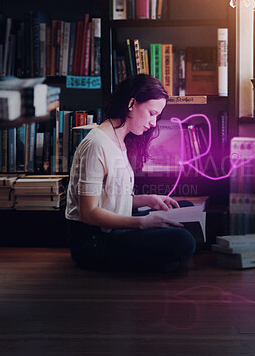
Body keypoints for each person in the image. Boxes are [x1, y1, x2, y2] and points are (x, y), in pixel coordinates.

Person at [65, 74, 196, 272]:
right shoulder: (96, 145)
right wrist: (142, 223)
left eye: (157, 116)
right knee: (183, 240)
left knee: (186, 208)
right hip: (94, 241)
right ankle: (158, 261)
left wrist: (147, 200)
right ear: (132, 103)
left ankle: (158, 261)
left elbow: (110, 198)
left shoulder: (119, 140)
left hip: (114, 228)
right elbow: (89, 212)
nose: (153, 123)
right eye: (151, 113)